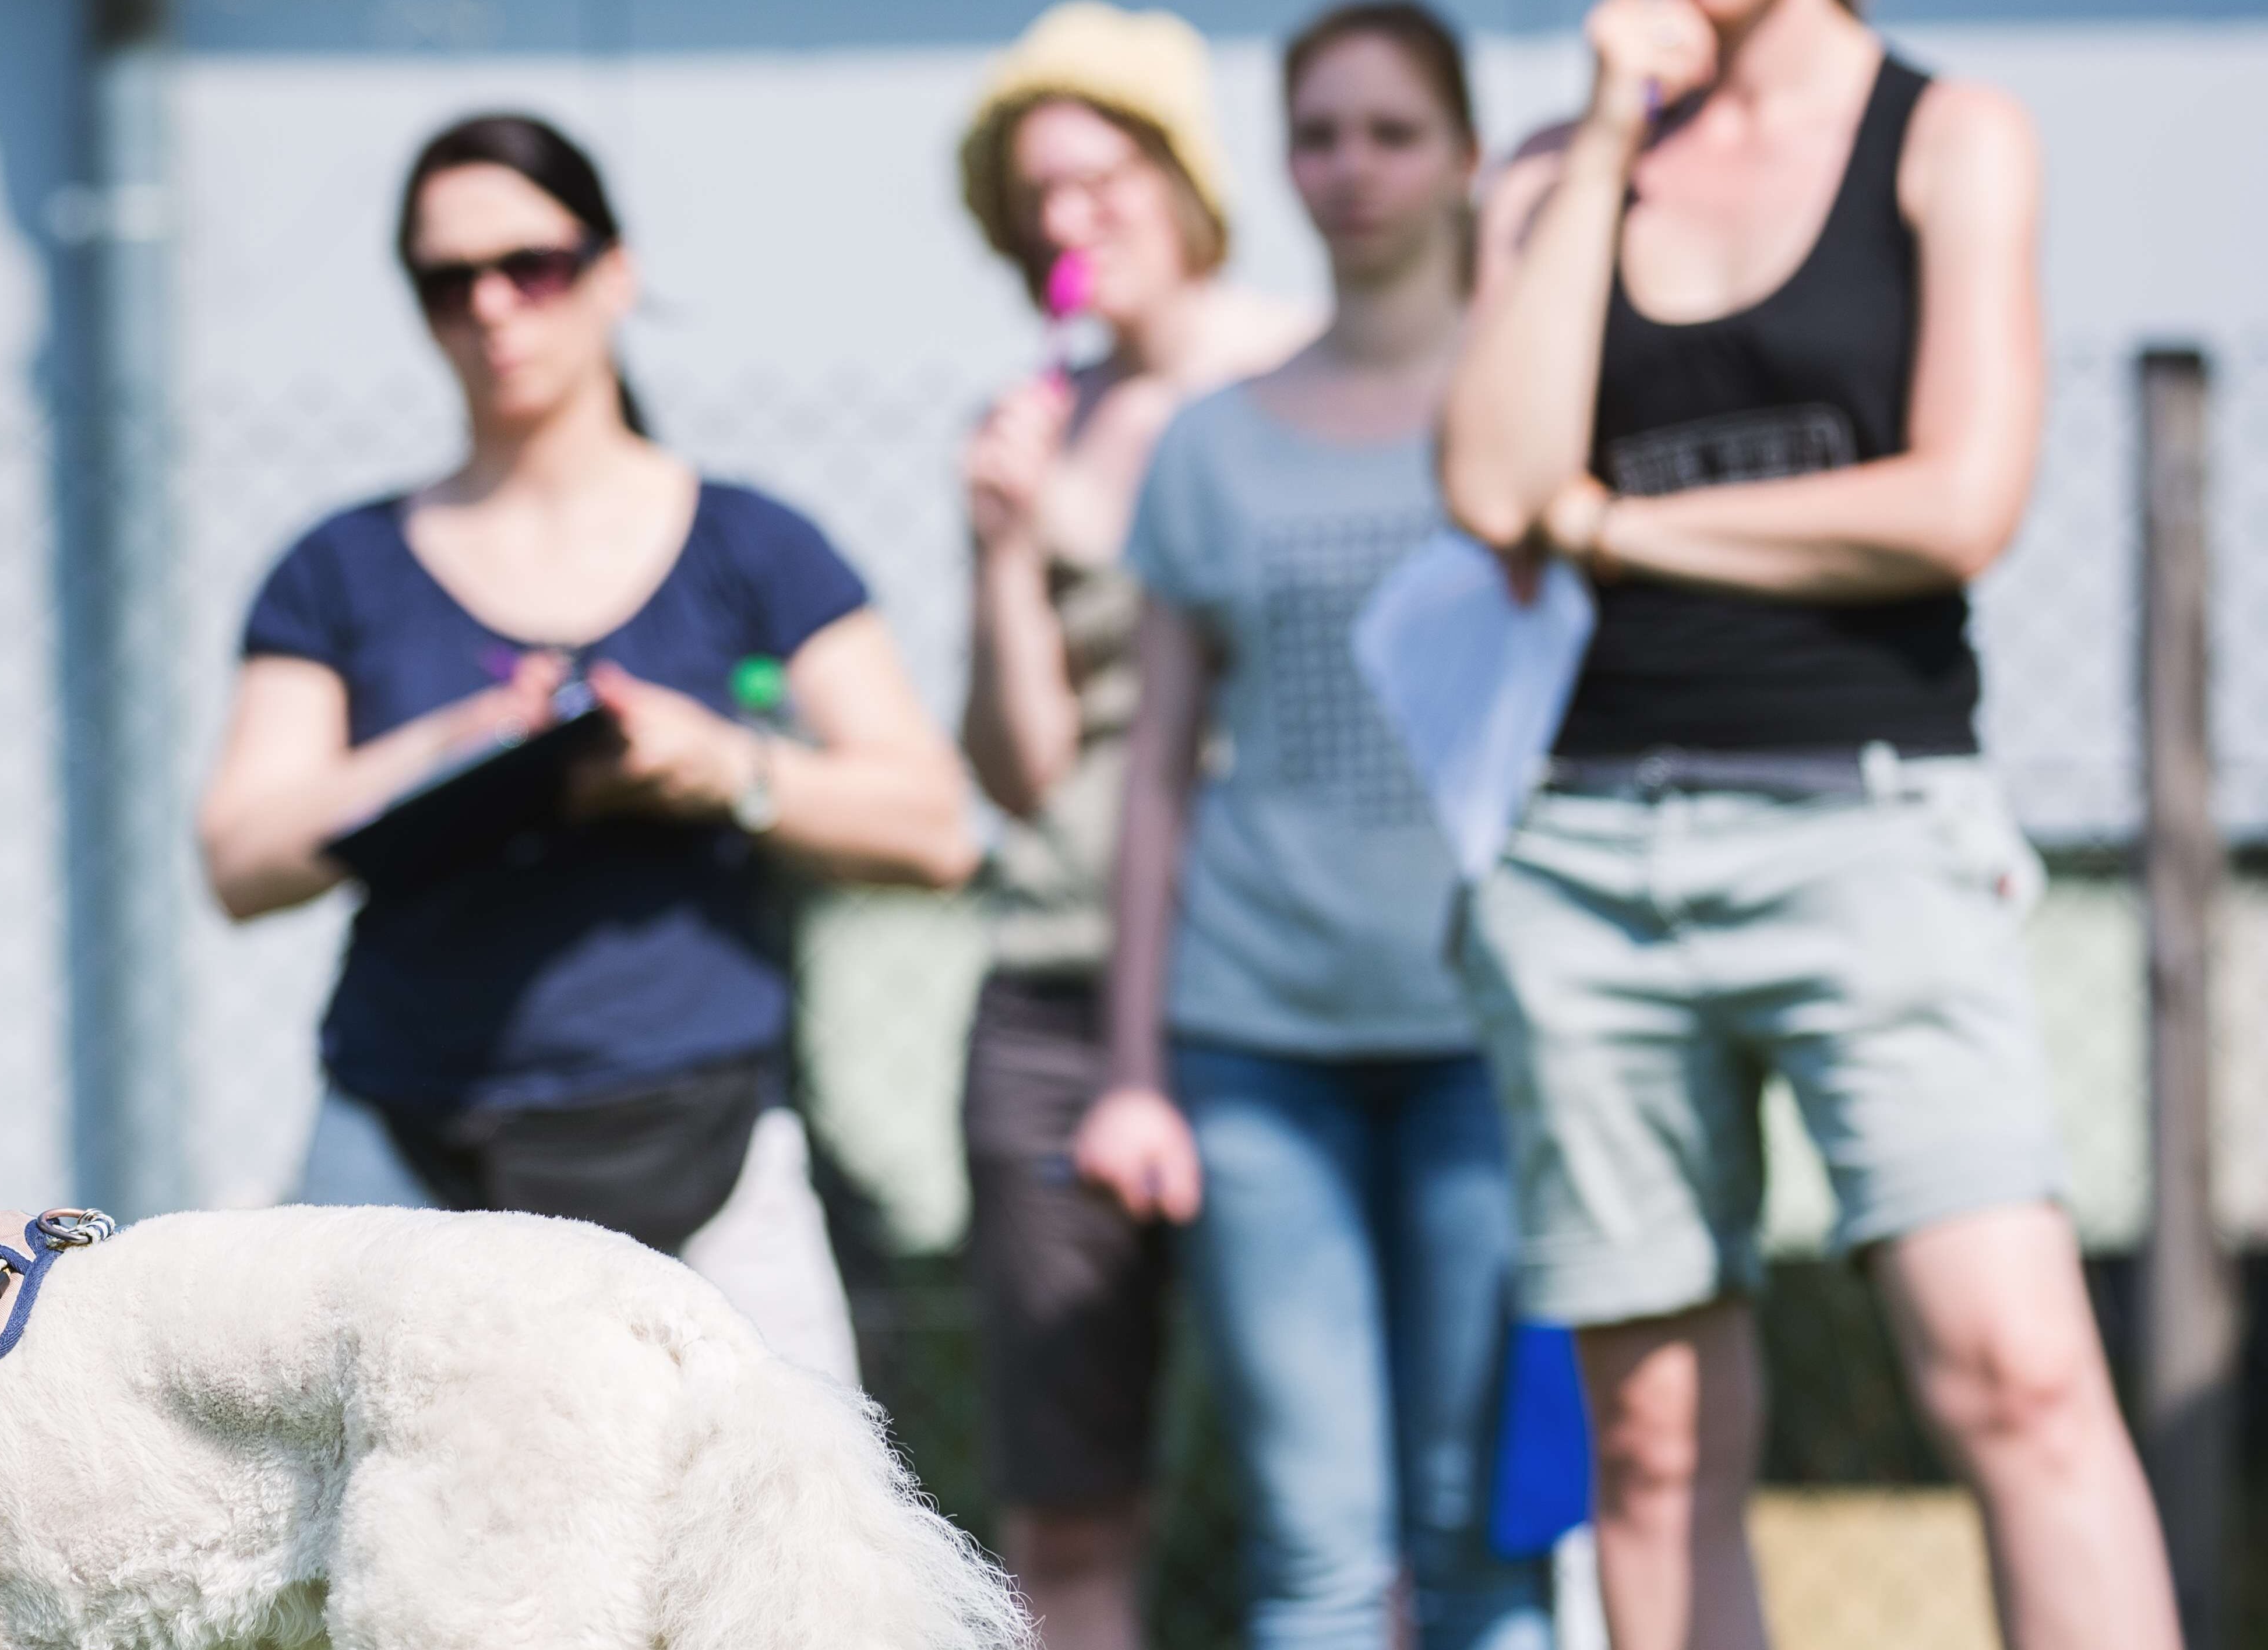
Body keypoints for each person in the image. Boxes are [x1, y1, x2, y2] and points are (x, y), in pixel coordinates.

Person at [1435, 1, 2182, 1646]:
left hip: (1872, 827)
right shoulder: (1556, 172)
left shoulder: (1951, 135)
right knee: (1652, 1440)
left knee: (2023, 1377)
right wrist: (1613, 134)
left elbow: (1957, 503)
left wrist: (1620, 524)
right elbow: (1494, 488)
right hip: (1578, 864)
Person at [197, 113, 974, 1392]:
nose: (493, 308)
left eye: (532, 266)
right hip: (402, 1157)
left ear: (615, 272)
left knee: (779, 1553)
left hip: (705, 1150)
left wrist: (728, 767)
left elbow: (933, 825)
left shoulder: (754, 546)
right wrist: (456, 745)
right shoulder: (337, 569)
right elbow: (239, 856)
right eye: (449, 281)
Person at [1067, 9, 1551, 1649]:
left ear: (1466, 156)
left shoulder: (1535, 419)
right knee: (1318, 1553)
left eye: (1394, 133)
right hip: (1257, 1043)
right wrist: (1135, 1067)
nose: (1354, 169)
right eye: (1322, 134)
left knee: (1483, 1536)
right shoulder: (1209, 447)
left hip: (1491, 1038)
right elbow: (1154, 779)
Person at [948, 6, 1313, 1643]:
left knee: (1331, 1488)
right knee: (1071, 1505)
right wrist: (1006, 556)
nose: (1064, 225)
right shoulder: (1040, 421)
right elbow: (1015, 769)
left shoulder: (1312, 377)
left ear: (1186, 180)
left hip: (1278, 995)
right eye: (1036, 201)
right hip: (1058, 994)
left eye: (1098, 181)